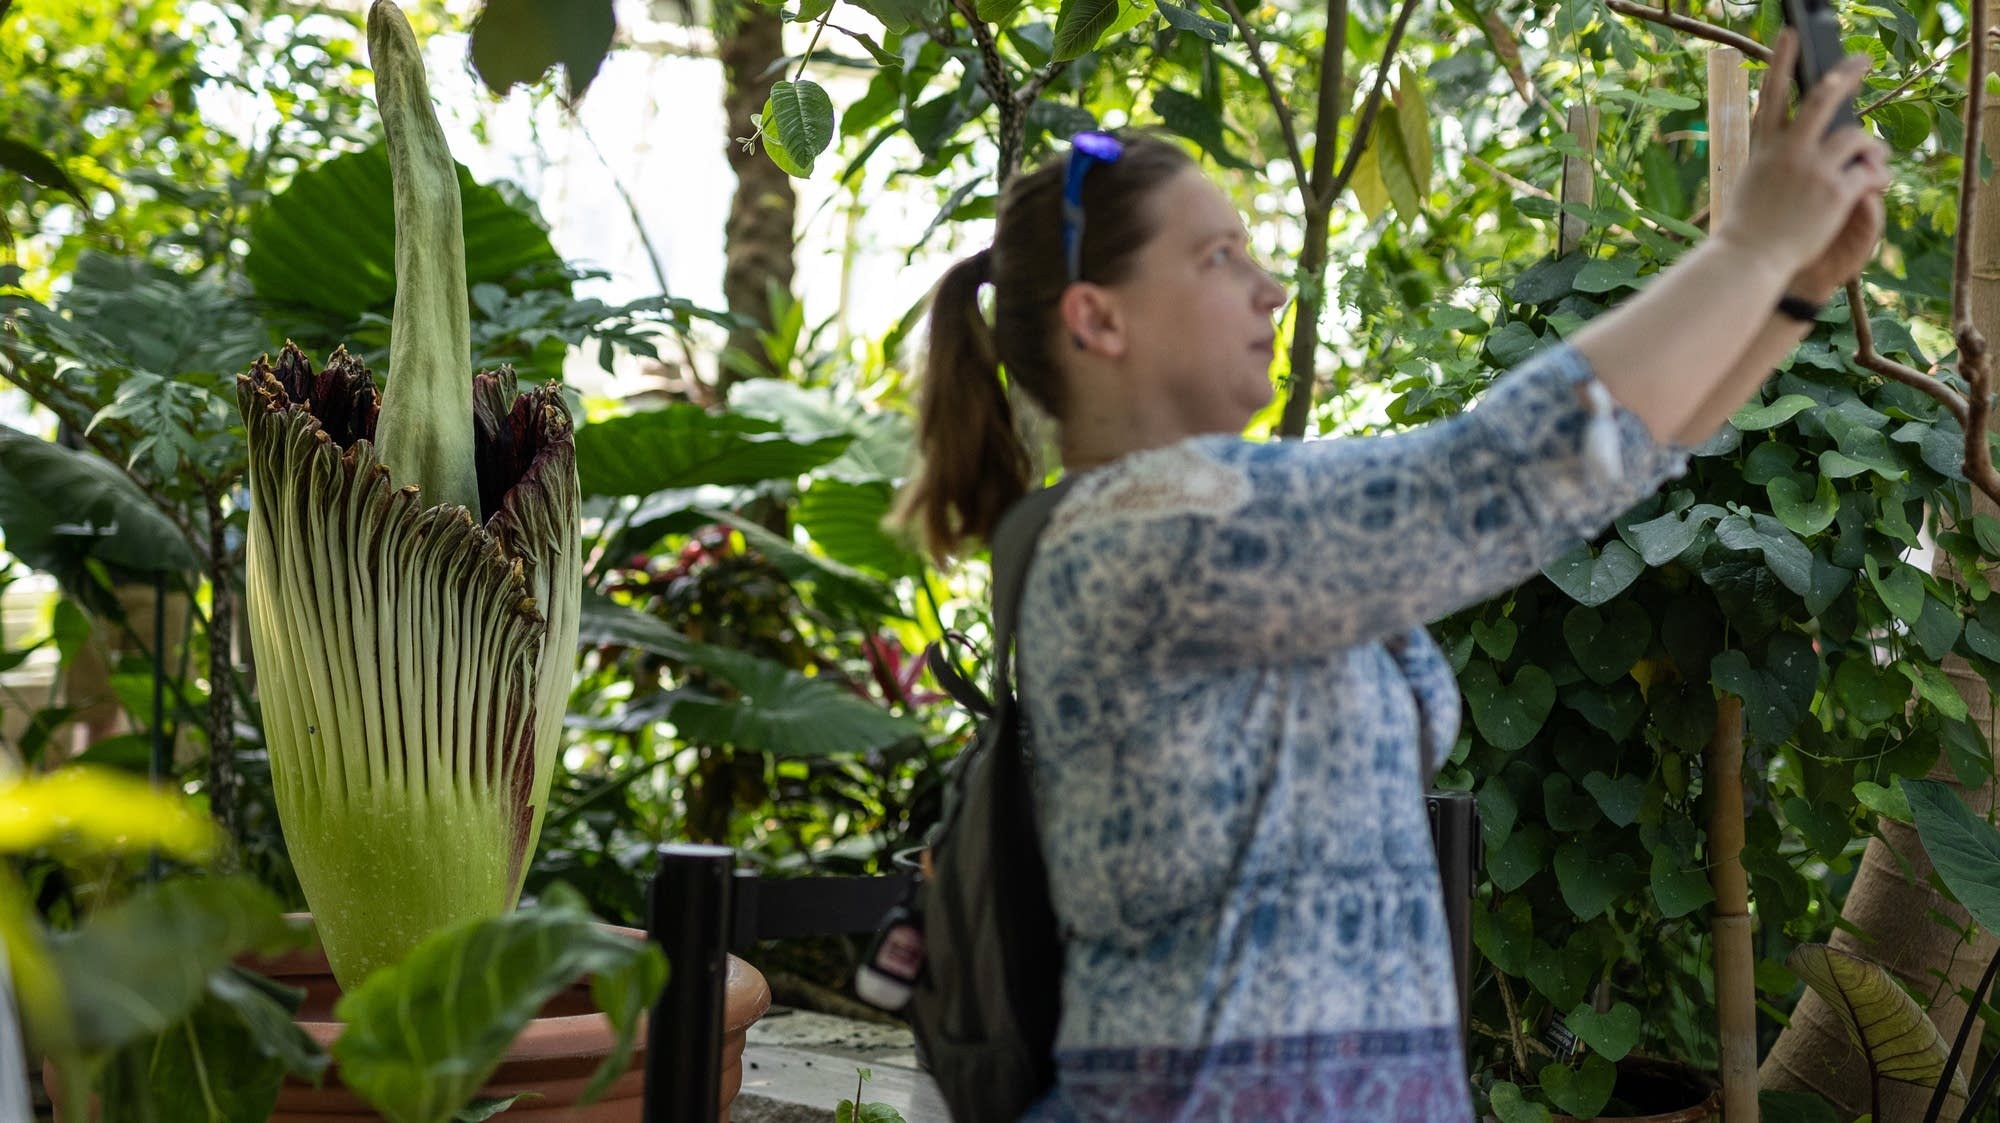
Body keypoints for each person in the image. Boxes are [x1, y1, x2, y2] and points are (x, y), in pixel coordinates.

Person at [891, 29, 1888, 1122]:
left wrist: (1785, 295)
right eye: (1219, 257)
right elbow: (1492, 477)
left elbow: (1600, 465)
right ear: (1098, 317)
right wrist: (1741, 250)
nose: (1271, 287)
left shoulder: (1242, 508)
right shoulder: (1136, 538)